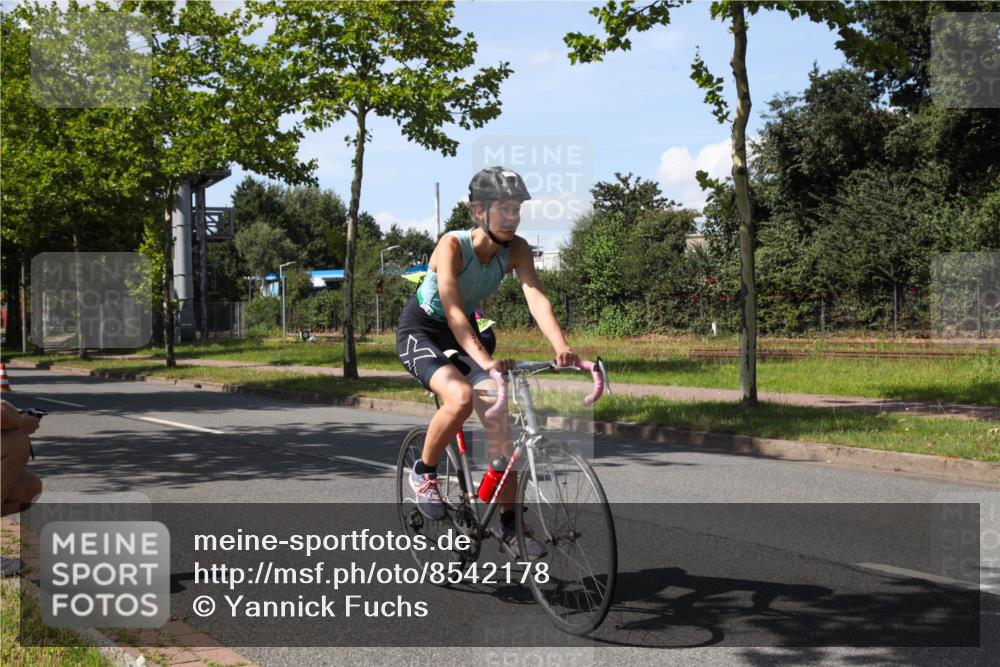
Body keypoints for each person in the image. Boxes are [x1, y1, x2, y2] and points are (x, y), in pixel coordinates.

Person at [395, 166, 579, 559]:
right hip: (423, 331)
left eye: (517, 209)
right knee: (460, 397)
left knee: (503, 431)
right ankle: (424, 473)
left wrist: (562, 347)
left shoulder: (517, 250)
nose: (512, 217)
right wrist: (486, 360)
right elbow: (455, 312)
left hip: (466, 335)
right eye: (504, 209)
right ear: (479, 211)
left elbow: (535, 297)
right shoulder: (452, 245)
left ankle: (510, 525)